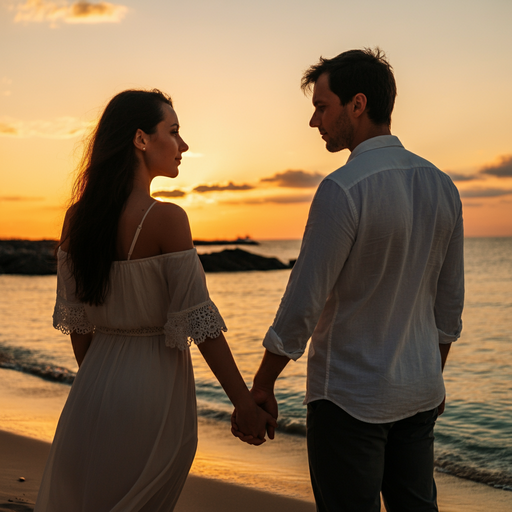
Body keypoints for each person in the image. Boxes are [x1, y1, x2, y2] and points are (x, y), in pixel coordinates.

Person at [233, 48, 464, 511]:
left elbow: (304, 302)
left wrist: (262, 385)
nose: (314, 122)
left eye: (322, 107)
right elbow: (448, 307)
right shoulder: (442, 185)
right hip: (418, 393)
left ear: (357, 105)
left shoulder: (343, 189)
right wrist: (430, 376)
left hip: (348, 401)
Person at [35, 89, 276, 512]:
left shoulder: (77, 219)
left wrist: (99, 382)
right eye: (174, 131)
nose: (184, 146)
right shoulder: (167, 218)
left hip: (92, 388)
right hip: (152, 391)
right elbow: (202, 325)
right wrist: (245, 403)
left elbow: (77, 324)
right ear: (140, 139)